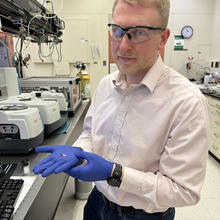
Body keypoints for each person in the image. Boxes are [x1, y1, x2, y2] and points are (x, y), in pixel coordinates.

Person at [33, 0, 209, 219]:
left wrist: (115, 173)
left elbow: (184, 191)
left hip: (145, 215)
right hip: (97, 202)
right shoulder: (106, 84)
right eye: (117, 31)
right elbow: (90, 132)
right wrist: (78, 150)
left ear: (163, 38)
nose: (123, 45)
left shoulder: (186, 102)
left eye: (138, 33)